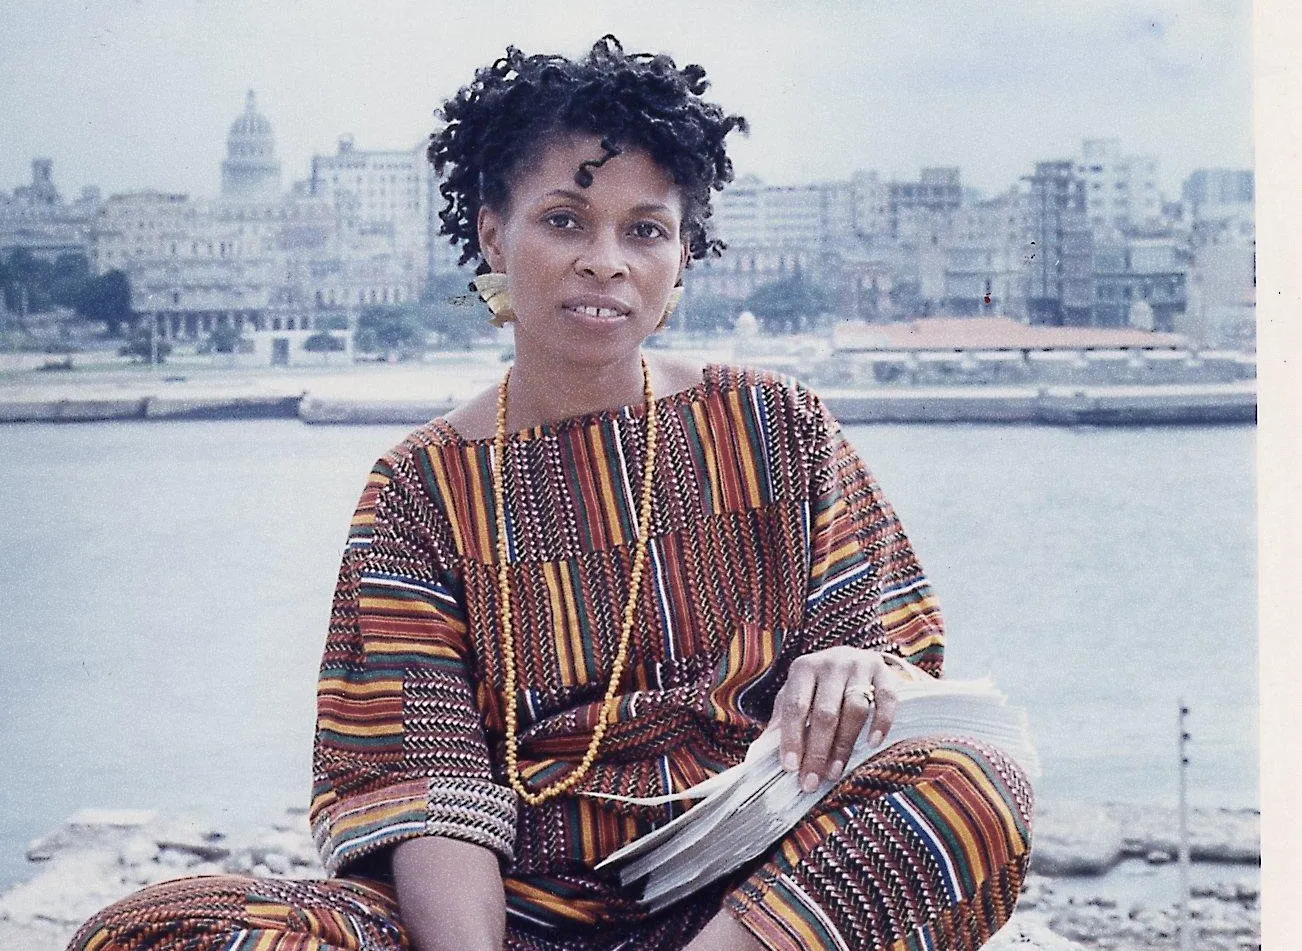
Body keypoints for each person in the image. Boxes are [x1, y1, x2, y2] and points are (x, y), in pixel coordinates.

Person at [68, 37, 1031, 951]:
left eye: (644, 229)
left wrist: (858, 663)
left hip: (752, 901)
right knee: (156, 928)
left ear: (682, 255)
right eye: (565, 219)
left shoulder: (777, 428)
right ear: (495, 233)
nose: (604, 260)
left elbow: (892, 659)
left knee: (974, 786)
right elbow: (429, 779)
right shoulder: (422, 488)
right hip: (508, 911)